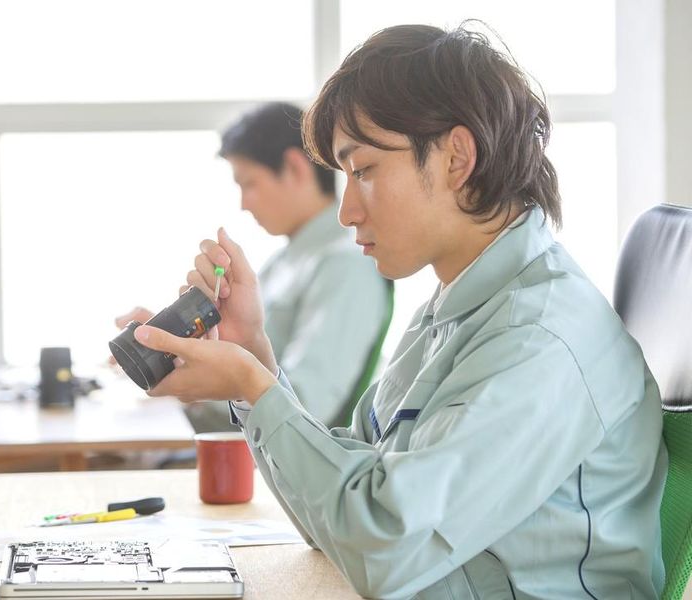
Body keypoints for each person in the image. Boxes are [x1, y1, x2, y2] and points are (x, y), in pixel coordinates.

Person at [129, 24, 667, 599]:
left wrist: (254, 387)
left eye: (363, 170)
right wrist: (252, 359)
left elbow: (383, 549)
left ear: (457, 158)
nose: (346, 212)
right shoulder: (455, 309)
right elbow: (338, 518)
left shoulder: (537, 337)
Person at [117, 102, 389, 431]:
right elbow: (245, 362)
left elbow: (307, 404)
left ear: (295, 168)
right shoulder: (286, 261)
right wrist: (174, 348)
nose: (244, 204)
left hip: (262, 450)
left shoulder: (345, 267)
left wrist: (205, 386)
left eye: (248, 184)